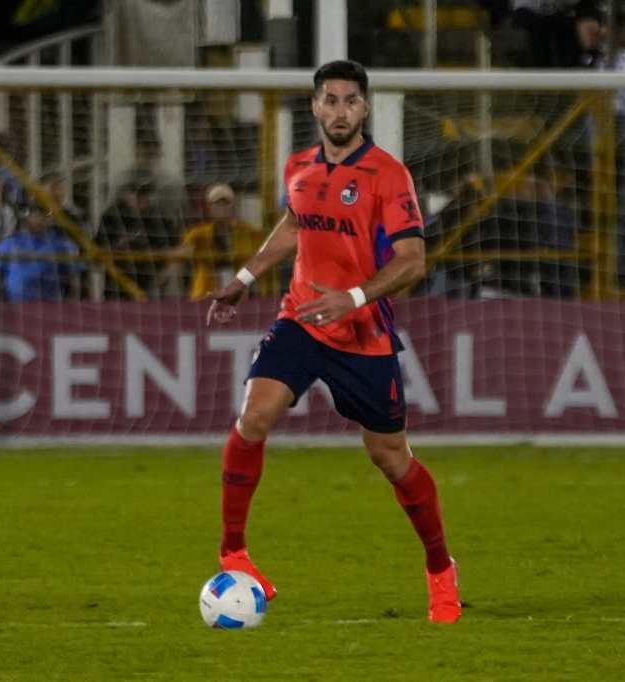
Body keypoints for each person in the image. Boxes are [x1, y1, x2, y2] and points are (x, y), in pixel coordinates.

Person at [205, 60, 461, 624]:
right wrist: (245, 280)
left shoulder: (388, 175)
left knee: (390, 456)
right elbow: (295, 224)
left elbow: (413, 261)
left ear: (364, 109)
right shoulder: (297, 166)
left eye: (350, 101)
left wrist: (351, 298)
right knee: (254, 415)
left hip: (362, 332)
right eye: (330, 100)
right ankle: (235, 554)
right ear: (315, 107)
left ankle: (440, 569)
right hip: (300, 319)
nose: (339, 110)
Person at [177, 183, 261, 300]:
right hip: (207, 287)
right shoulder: (198, 233)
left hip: (238, 284)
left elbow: (261, 255)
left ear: (232, 206)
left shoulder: (247, 231)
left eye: (226, 203)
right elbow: (182, 253)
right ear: (209, 208)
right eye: (217, 204)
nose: (222, 208)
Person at [0, 200, 82, 302]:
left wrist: (73, 304)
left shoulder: (62, 245)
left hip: (50, 305)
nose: (41, 220)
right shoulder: (9, 243)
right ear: (26, 217)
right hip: (14, 305)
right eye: (36, 215)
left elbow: (74, 278)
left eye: (45, 215)